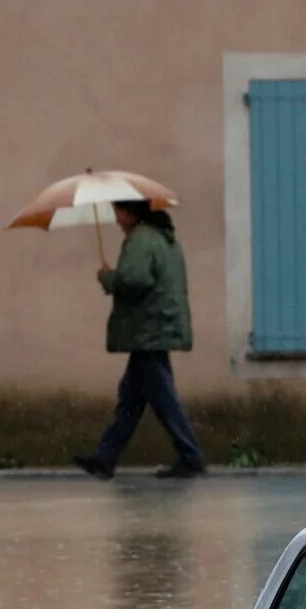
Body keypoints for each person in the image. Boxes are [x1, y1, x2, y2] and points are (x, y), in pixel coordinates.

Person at [73, 200, 206, 479]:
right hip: (157, 327)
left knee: (162, 398)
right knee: (131, 399)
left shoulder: (141, 239)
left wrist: (108, 278)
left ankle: (191, 455)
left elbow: (136, 280)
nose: (116, 219)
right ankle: (105, 458)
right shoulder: (161, 237)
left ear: (129, 212)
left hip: (149, 331)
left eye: (118, 213)